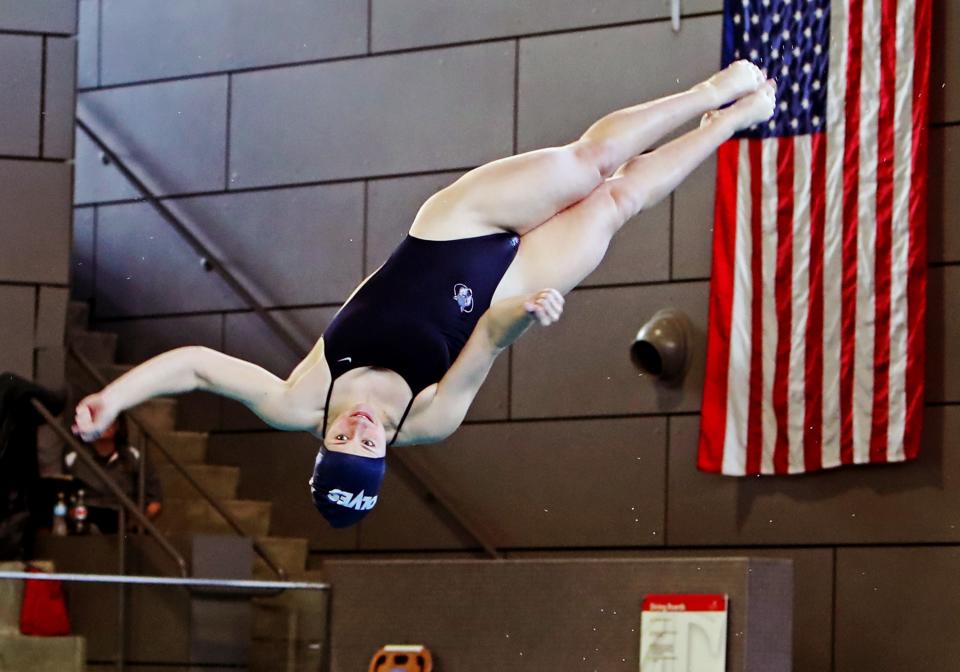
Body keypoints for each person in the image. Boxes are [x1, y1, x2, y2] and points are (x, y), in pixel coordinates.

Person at [74, 62, 776, 527]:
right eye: (368, 445)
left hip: (450, 230)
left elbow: (197, 365)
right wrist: (528, 314)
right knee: (616, 202)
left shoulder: (297, 400)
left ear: (323, 444)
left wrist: (115, 398)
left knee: (588, 163)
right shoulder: (428, 421)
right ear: (382, 457)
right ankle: (726, 127)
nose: (359, 428)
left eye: (342, 439)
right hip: (506, 289)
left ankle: (706, 94)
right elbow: (486, 343)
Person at [64, 413, 163, 533]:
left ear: (117, 425)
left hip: (124, 527)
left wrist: (136, 523)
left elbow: (155, 501)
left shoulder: (135, 457)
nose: (105, 424)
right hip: (83, 527)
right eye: (98, 419)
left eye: (109, 419)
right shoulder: (72, 459)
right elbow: (60, 499)